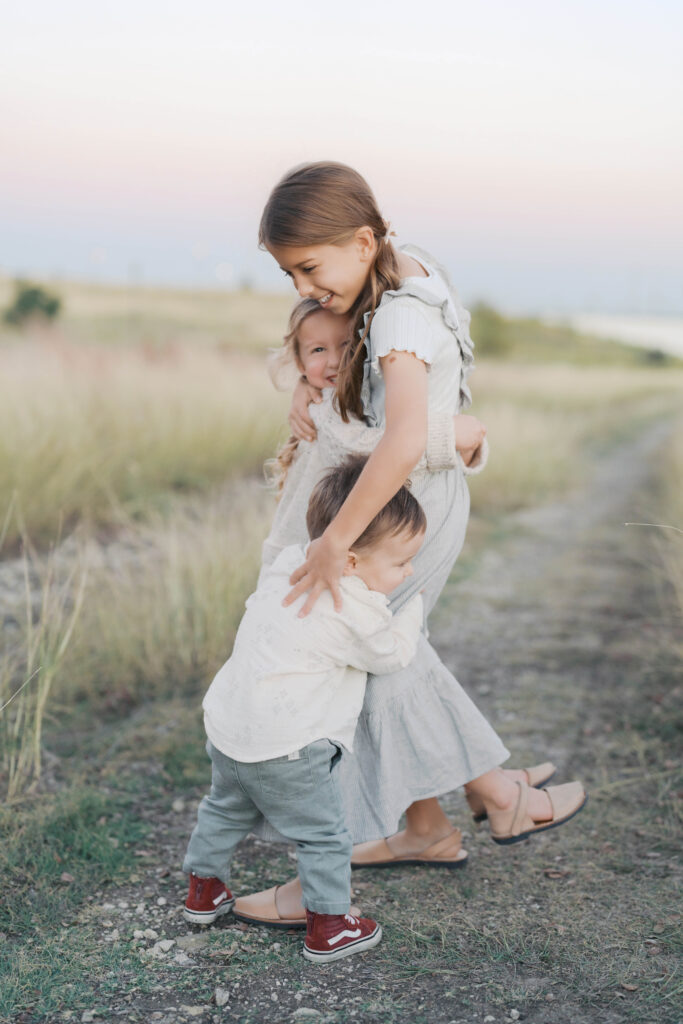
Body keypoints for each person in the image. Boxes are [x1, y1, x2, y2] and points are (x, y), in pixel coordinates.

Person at [234, 161, 586, 928]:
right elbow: (384, 397)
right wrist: (307, 379)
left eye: (308, 267)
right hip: (391, 501)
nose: (302, 286)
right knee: (383, 661)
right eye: (290, 272)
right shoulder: (395, 266)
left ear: (361, 241)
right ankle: (435, 823)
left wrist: (332, 542)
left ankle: (456, 812)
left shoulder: (396, 318)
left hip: (394, 514)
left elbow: (397, 442)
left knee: (354, 663)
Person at [182, 456, 427, 963]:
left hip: (228, 728)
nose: (410, 572)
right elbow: (392, 655)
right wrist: (414, 606)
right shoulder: (352, 607)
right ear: (353, 564)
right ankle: (330, 924)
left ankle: (203, 892)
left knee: (223, 810)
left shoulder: (288, 563)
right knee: (323, 834)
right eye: (402, 563)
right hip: (288, 746)